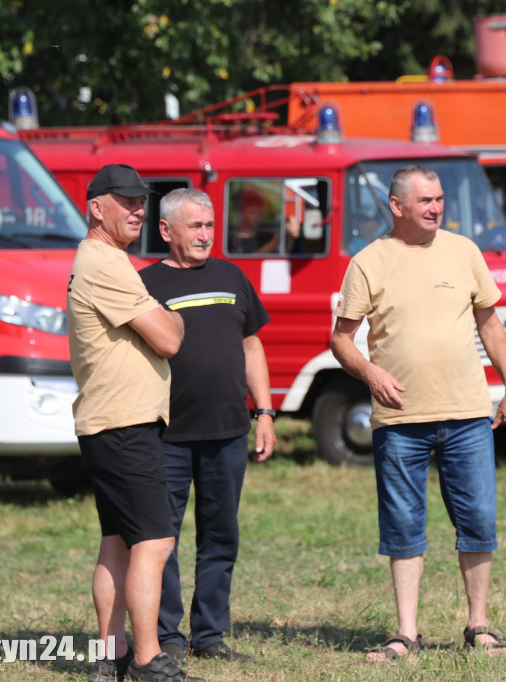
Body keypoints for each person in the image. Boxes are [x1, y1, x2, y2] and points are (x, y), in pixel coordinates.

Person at [330, 164, 506, 662]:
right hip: (400, 420)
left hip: (467, 414)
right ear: (397, 207)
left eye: (438, 199)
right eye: (425, 201)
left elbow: (490, 324)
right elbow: (341, 339)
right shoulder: (369, 262)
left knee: (478, 519)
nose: (436, 207)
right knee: (403, 524)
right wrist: (371, 375)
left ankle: (479, 626)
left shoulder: (464, 251)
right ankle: (405, 635)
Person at [66, 164, 197, 682]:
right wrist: (174, 317)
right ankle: (147, 659)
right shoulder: (106, 263)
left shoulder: (101, 259)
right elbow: (168, 338)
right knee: (154, 541)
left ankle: (109, 658)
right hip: (123, 423)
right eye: (127, 201)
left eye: (142, 201)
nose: (139, 209)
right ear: (97, 207)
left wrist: (163, 316)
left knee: (119, 541)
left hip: (110, 420)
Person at [139, 188, 276, 665]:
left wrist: (264, 412)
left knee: (221, 535)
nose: (205, 234)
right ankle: (166, 635)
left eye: (210, 225)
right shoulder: (144, 283)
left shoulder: (231, 275)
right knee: (163, 538)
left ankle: (210, 634)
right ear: (166, 231)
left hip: (227, 431)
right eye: (194, 226)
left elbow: (252, 346)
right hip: (165, 434)